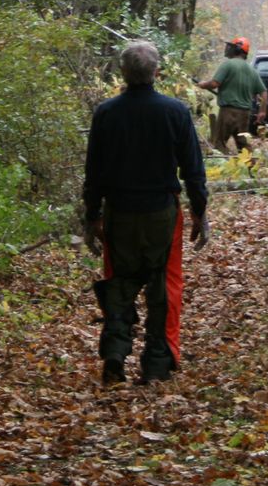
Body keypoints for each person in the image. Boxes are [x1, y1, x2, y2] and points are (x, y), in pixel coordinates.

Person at [83, 40, 209, 387]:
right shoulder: (175, 112)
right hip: (161, 214)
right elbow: (193, 170)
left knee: (119, 284)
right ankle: (157, 365)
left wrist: (92, 217)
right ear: (157, 72)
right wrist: (199, 212)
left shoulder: (106, 113)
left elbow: (94, 172)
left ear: (123, 72)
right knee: (163, 286)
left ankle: (114, 357)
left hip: (119, 213)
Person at [198, 37, 267, 153]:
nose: (228, 49)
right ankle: (251, 164)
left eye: (231, 47)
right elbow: (264, 92)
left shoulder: (228, 65)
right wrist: (262, 111)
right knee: (243, 145)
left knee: (219, 143)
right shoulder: (252, 70)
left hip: (228, 112)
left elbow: (214, 84)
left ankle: (222, 162)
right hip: (245, 114)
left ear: (237, 49)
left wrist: (203, 84)